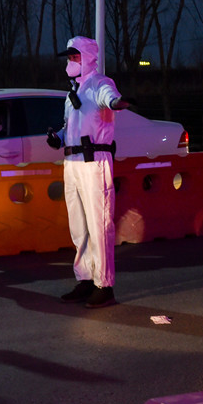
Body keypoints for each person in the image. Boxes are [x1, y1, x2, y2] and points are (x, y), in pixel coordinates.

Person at [46, 36, 130, 308]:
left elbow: (110, 99)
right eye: (69, 58)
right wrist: (58, 137)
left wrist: (117, 103)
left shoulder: (100, 84)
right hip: (71, 163)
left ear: (88, 58)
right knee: (79, 225)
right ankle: (85, 279)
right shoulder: (72, 94)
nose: (70, 62)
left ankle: (104, 285)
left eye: (75, 57)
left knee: (99, 224)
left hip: (94, 162)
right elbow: (71, 125)